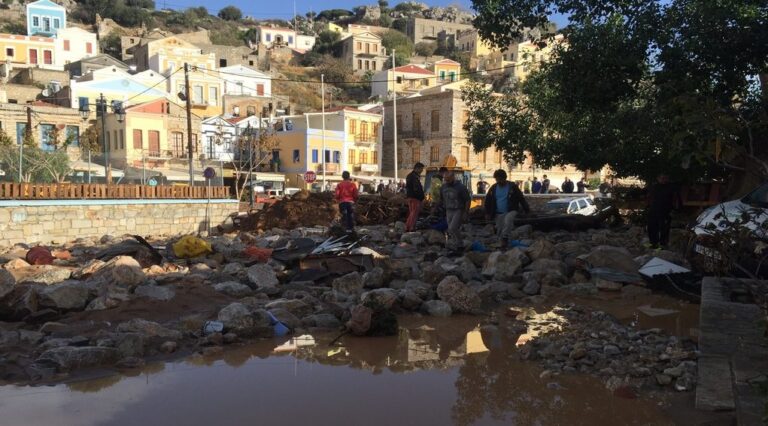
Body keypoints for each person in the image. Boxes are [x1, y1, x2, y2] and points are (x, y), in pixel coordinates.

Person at [485, 169, 530, 248]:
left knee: (508, 220)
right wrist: (487, 213)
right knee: (500, 230)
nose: (499, 181)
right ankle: (506, 246)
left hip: (511, 210)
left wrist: (527, 209)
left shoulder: (512, 187)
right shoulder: (494, 188)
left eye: (500, 179)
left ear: (505, 178)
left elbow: (521, 198)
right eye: (497, 179)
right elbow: (488, 200)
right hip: (498, 213)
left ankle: (505, 239)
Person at [647, 174, 681, 249]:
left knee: (664, 229)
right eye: (661, 178)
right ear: (658, 178)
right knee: (652, 227)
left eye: (665, 178)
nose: (663, 179)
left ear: (667, 178)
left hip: (666, 212)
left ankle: (663, 244)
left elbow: (676, 200)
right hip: (654, 211)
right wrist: (648, 207)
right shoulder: (654, 187)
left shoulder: (672, 187)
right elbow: (649, 198)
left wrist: (674, 210)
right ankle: (653, 243)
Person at [441, 169, 471, 252]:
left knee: (453, 228)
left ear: (453, 177)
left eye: (448, 180)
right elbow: (441, 198)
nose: (447, 182)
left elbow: (467, 200)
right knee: (451, 229)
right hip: (448, 209)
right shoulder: (443, 187)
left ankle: (460, 244)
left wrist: (466, 212)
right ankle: (456, 244)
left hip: (458, 209)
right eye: (445, 180)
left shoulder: (460, 187)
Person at [405, 162, 425, 232]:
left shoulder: (410, 176)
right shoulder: (414, 177)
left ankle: (408, 226)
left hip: (410, 197)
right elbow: (416, 188)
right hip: (415, 198)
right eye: (421, 169)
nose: (422, 171)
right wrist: (421, 197)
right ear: (417, 168)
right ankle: (411, 228)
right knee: (414, 213)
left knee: (412, 212)